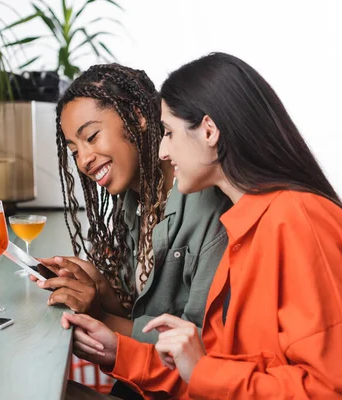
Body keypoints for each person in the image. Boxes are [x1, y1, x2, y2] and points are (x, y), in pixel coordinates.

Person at [61, 52, 342, 399]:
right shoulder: (246, 228)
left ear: (209, 131)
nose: (161, 151)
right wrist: (120, 352)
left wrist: (201, 368)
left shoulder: (298, 223)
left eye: (169, 133)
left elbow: (341, 393)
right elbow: (211, 372)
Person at [33, 64, 231, 398]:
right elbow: (140, 312)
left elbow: (200, 351)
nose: (83, 160)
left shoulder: (209, 206)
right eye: (74, 150)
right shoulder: (132, 201)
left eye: (91, 137)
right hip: (138, 385)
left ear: (137, 115)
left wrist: (100, 316)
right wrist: (100, 288)